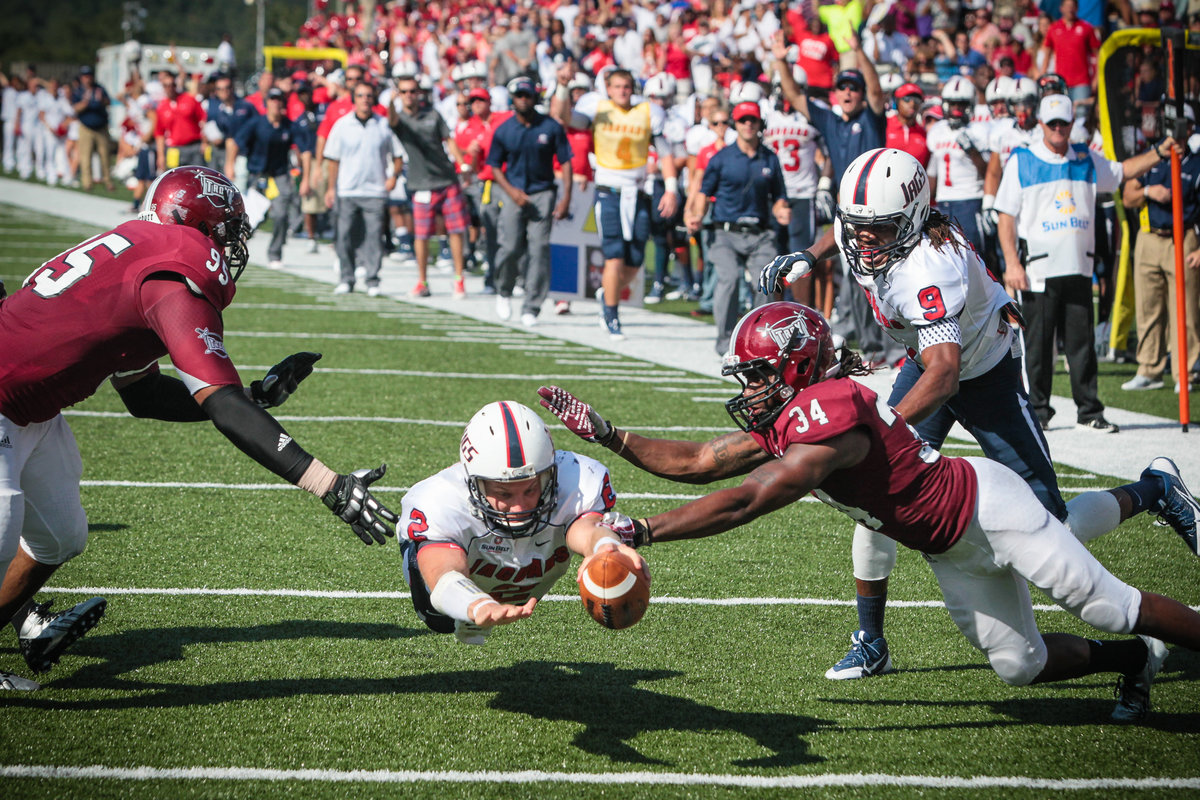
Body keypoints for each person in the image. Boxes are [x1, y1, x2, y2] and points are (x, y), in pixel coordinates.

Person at [536, 303, 1200, 721]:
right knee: (1018, 665)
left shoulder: (827, 413)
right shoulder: (795, 409)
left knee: (1105, 601)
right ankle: (1135, 661)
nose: (750, 389)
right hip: (950, 550)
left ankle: (1158, 559)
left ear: (795, 367)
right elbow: (701, 461)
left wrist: (648, 529)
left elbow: (750, 498)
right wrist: (610, 434)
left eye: (759, 375)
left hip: (984, 508)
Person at [757, 146, 1183, 680]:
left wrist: (883, 426)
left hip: (984, 369)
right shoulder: (873, 228)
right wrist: (811, 255)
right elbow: (845, 232)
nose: (863, 241)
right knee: (871, 491)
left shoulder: (932, 266)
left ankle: (1156, 488)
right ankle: (871, 639)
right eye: (857, 227)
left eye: (878, 230)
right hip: (928, 359)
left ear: (909, 222)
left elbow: (945, 374)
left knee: (1053, 523)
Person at [0, 166, 398, 691]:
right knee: (4, 521)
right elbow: (222, 407)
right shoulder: (173, 269)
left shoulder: (137, 253)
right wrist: (329, 484)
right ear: (194, 222)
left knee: (60, 536)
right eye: (226, 231)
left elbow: (144, 395)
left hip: (32, 408)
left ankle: (22, 621)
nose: (230, 247)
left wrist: (253, 393)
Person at [995, 94, 1180, 432]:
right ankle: (1038, 411)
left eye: (1063, 123)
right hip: (1039, 270)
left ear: (1071, 125)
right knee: (1038, 346)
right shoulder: (1022, 160)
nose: (1058, 130)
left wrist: (1161, 151)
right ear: (1041, 125)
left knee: (1082, 346)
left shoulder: (1085, 158)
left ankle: (1089, 411)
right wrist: (1012, 263)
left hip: (1079, 266)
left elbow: (1123, 172)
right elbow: (1006, 216)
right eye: (1051, 124)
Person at [398, 401, 647, 645]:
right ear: (474, 483)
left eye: (530, 489)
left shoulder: (576, 479)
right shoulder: (443, 499)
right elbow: (443, 573)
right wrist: (475, 604)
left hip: (529, 584)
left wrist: (604, 545)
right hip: (460, 586)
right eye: (504, 493)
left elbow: (587, 528)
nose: (520, 507)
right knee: (439, 619)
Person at [769, 34, 905, 370]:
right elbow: (795, 96)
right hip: (849, 211)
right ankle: (873, 347)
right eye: (842, 87)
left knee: (884, 279)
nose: (848, 92)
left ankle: (896, 349)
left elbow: (875, 92)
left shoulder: (871, 117)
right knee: (857, 278)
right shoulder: (830, 120)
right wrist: (780, 60)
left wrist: (859, 53)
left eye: (852, 88)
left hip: (880, 209)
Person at [551, 66, 680, 340]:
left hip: (638, 191)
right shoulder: (596, 107)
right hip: (609, 189)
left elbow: (665, 153)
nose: (622, 91)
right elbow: (562, 116)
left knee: (634, 261)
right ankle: (612, 313)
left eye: (626, 86)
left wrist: (670, 189)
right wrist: (562, 87)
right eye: (617, 86)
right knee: (614, 256)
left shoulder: (648, 112)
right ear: (607, 88)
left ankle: (605, 294)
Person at [692, 100, 790, 356]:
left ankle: (761, 340)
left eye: (752, 120)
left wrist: (781, 209)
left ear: (759, 124)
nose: (748, 125)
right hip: (725, 231)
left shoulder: (770, 157)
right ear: (735, 125)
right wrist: (696, 215)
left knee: (766, 281)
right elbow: (704, 192)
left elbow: (779, 195)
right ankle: (725, 342)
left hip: (760, 232)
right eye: (743, 120)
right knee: (730, 278)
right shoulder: (721, 158)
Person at [1121, 106, 1200, 394]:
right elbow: (1127, 194)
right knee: (1148, 308)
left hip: (1184, 237)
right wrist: (1147, 192)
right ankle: (1149, 368)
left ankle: (1185, 372)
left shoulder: (1196, 163)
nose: (1174, 132)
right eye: (1169, 125)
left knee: (1185, 310)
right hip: (1149, 236)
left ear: (1190, 128)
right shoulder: (1152, 158)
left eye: (1179, 126)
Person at [486, 76, 573, 327]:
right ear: (513, 99)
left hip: (542, 192)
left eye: (528, 95)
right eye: (519, 96)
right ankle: (504, 289)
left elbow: (565, 160)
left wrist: (566, 196)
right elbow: (494, 166)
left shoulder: (550, 127)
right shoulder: (504, 129)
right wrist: (511, 191)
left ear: (535, 98)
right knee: (510, 246)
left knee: (539, 249)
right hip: (514, 192)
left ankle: (532, 305)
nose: (524, 100)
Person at [388, 74, 469, 299]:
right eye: (404, 92)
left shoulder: (433, 115)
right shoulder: (401, 118)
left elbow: (449, 140)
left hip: (446, 179)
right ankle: (422, 281)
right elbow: (392, 121)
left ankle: (459, 279)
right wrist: (390, 103)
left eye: (412, 91)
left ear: (419, 93)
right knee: (421, 235)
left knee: (455, 230)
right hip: (420, 183)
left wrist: (461, 162)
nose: (408, 95)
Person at [324, 81, 404, 296]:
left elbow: (398, 155)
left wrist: (394, 176)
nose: (365, 99)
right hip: (347, 190)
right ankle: (347, 278)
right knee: (345, 236)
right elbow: (333, 160)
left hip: (375, 190)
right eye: (361, 95)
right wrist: (331, 188)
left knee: (374, 237)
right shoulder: (342, 125)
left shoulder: (383, 124)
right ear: (354, 99)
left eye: (369, 95)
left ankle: (372, 279)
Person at [228, 87, 305, 271]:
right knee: (251, 218)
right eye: (273, 99)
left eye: (279, 99)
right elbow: (235, 142)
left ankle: (275, 252)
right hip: (258, 176)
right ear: (267, 102)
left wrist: (306, 173)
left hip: (279, 176)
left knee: (281, 214)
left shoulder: (288, 125)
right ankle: (235, 249)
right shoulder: (256, 123)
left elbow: (304, 148)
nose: (276, 103)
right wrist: (229, 165)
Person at [926, 75, 990, 254]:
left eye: (961, 104)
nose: (956, 109)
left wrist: (972, 151)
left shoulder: (979, 131)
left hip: (970, 200)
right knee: (948, 253)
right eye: (953, 104)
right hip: (943, 202)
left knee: (974, 254)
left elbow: (988, 172)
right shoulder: (937, 131)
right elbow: (933, 170)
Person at [71, 66, 113, 191]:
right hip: (86, 127)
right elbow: (75, 108)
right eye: (85, 76)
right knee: (85, 156)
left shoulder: (99, 89)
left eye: (89, 76)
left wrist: (101, 100)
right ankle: (87, 182)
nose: (87, 79)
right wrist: (85, 102)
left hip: (101, 127)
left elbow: (108, 102)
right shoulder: (79, 91)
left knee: (105, 156)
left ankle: (108, 181)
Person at [154, 71, 206, 172]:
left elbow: (203, 120)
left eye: (172, 85)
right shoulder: (162, 107)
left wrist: (205, 142)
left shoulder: (189, 99)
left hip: (193, 147)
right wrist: (160, 156)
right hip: (174, 149)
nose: (170, 88)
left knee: (197, 178)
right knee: (175, 179)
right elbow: (159, 133)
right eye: (166, 85)